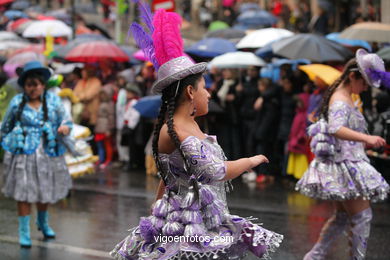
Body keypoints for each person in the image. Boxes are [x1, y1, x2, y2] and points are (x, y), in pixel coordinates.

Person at [111, 6, 283, 259]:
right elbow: (216, 171)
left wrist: (158, 202)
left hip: (201, 215)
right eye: (205, 88)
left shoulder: (187, 125)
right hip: (185, 224)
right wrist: (251, 161)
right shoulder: (178, 131)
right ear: (190, 92)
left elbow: (169, 174)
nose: (209, 94)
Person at [296, 49, 390, 260]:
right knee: (362, 216)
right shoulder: (341, 99)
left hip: (345, 161)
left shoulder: (344, 96)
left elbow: (340, 133)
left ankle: (314, 257)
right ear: (352, 76)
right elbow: (335, 128)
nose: (365, 88)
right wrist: (367, 139)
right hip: (346, 165)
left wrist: (363, 144)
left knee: (341, 217)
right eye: (364, 82)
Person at [0, 61, 73, 248]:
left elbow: (67, 121)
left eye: (37, 84)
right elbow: (4, 127)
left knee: (44, 190)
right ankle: (24, 232)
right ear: (24, 86)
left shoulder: (53, 101)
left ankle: (43, 222)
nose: (33, 88)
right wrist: (9, 141)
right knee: (23, 193)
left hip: (48, 153)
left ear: (43, 85)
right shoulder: (17, 103)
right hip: (23, 155)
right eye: (29, 85)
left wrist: (64, 128)